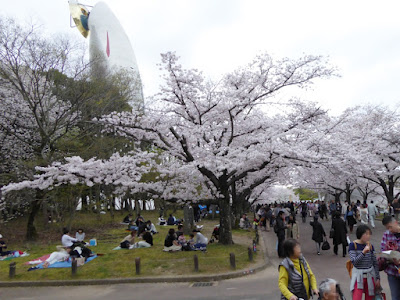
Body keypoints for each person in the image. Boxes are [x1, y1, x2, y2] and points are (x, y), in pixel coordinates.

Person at [349, 224, 380, 300]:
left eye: (369, 234)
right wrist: (363, 252)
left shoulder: (370, 246)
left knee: (370, 297)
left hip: (370, 275)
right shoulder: (353, 245)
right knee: (356, 297)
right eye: (366, 234)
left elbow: (374, 262)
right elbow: (354, 262)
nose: (368, 236)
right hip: (358, 276)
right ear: (360, 234)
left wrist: (378, 278)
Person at [381, 216, 400, 300]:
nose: (389, 230)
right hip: (392, 271)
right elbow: (383, 250)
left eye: (390, 227)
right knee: (395, 296)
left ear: (395, 222)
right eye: (387, 228)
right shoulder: (386, 234)